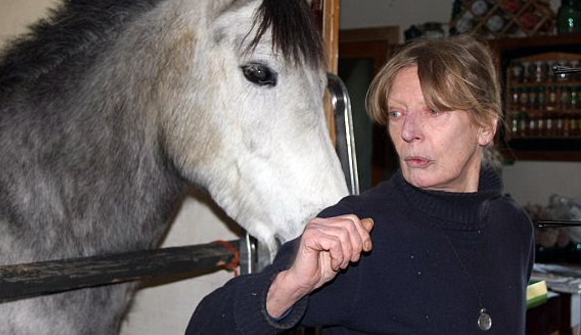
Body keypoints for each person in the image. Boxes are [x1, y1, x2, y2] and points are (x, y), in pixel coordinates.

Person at [186, 35, 535, 334]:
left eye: (433, 111)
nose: (409, 132)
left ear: (485, 126)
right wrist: (289, 286)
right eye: (397, 113)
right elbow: (204, 326)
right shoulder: (358, 232)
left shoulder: (513, 226)